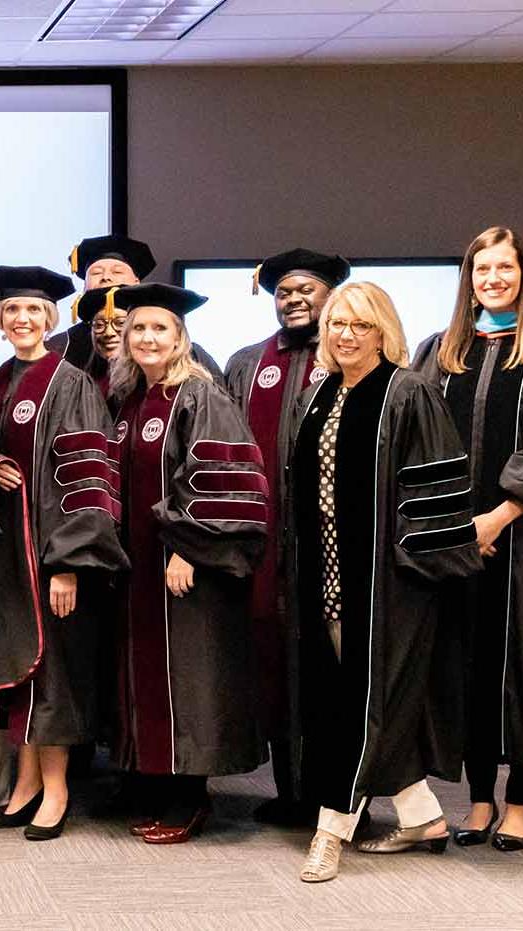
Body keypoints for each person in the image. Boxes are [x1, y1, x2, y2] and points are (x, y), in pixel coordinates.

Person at [290, 282, 482, 882]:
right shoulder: (321, 393)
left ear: (383, 331)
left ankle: (331, 829)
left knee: (361, 701)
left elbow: (435, 491)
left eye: (361, 325)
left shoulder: (409, 393)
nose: (346, 335)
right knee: (343, 693)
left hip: (389, 581)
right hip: (325, 569)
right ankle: (421, 814)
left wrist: (409, 566)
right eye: (338, 324)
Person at [413, 227, 523, 852]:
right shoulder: (442, 352)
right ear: (469, 278)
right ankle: (479, 798)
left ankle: (520, 803)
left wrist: (500, 515)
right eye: (482, 268)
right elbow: (419, 446)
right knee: (466, 666)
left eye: (504, 268)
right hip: (456, 541)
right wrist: (454, 525)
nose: (493, 278)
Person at [0, 266, 128, 841]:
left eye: (33, 311)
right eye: (11, 311)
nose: (22, 320)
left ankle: (56, 789)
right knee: (19, 668)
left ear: (51, 319)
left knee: (54, 674)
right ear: (0, 320)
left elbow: (89, 479)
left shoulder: (70, 383)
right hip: (1, 557)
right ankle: (26, 782)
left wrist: (69, 563)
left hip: (50, 557)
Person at [108, 283, 266, 844]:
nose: (147, 337)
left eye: (159, 329)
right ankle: (157, 786)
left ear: (181, 338)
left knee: (190, 677)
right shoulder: (130, 400)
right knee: (150, 673)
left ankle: (190, 798)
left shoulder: (201, 396)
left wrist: (186, 548)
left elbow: (221, 481)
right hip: (138, 573)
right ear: (125, 339)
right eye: (138, 329)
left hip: (186, 568)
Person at [222, 248, 352, 826]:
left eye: (308, 289)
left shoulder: (353, 358)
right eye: (284, 291)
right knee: (273, 663)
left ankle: (339, 797)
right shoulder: (246, 364)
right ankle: (289, 790)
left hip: (332, 544)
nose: (295, 298)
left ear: (331, 296)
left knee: (333, 667)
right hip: (266, 543)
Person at [50, 235, 222, 378]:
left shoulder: (180, 350)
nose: (106, 278)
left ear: (136, 283)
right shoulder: (61, 347)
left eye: (117, 272)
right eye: (96, 273)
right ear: (85, 286)